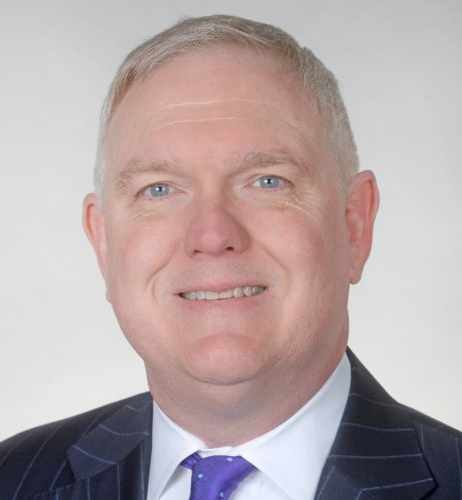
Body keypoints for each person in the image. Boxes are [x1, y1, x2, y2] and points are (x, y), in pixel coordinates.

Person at [1, 14, 460, 500]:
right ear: (104, 244)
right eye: (159, 189)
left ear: (355, 223)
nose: (213, 235)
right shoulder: (14, 478)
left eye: (267, 181)